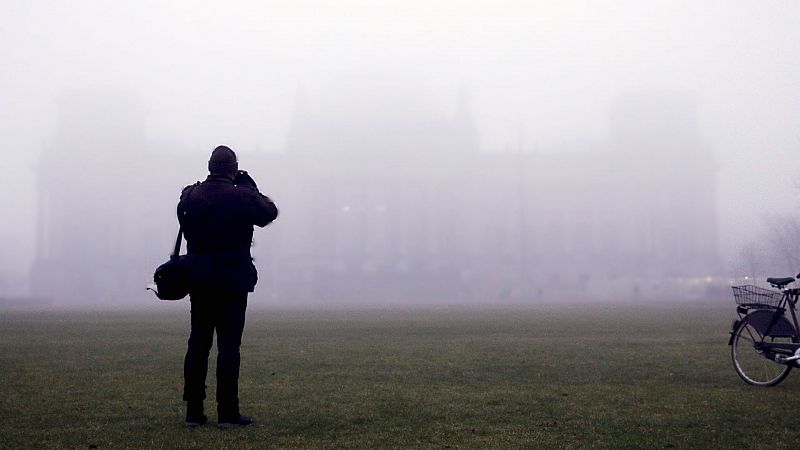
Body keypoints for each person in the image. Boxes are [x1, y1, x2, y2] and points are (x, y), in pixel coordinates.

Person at [177, 145, 278, 428]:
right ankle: (228, 413)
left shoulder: (190, 196)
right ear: (233, 169)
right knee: (229, 347)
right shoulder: (242, 196)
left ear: (209, 167)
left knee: (198, 344)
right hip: (233, 282)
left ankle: (194, 413)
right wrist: (250, 187)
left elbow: (183, 215)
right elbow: (268, 213)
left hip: (199, 280)